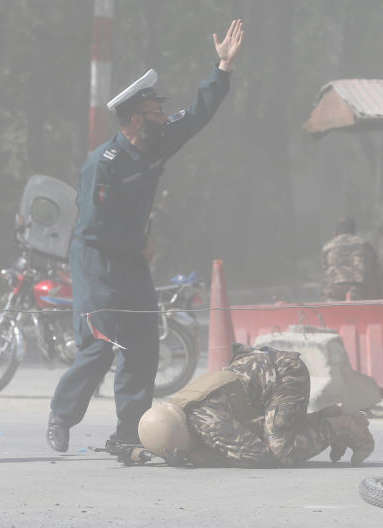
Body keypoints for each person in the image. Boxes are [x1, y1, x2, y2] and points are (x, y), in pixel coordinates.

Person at [45, 19, 245, 453]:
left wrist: (223, 68)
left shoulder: (155, 142)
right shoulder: (104, 163)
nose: (163, 116)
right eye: (156, 111)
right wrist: (140, 243)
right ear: (137, 118)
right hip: (96, 258)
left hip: (131, 258)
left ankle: (127, 435)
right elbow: (94, 225)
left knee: (140, 343)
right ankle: (62, 415)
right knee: (100, 345)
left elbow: (196, 115)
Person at [137, 344, 375, 467]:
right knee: (271, 431)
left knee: (280, 452)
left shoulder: (205, 420)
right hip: (263, 375)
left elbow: (256, 456)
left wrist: (203, 457)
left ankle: (342, 426)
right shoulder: (177, 410)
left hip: (283, 375)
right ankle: (331, 416)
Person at [322, 217, 383, 301]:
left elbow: (326, 272)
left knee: (331, 299)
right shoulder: (364, 245)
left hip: (335, 291)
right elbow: (378, 273)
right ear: (354, 231)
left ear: (336, 233)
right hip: (360, 291)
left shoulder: (327, 247)